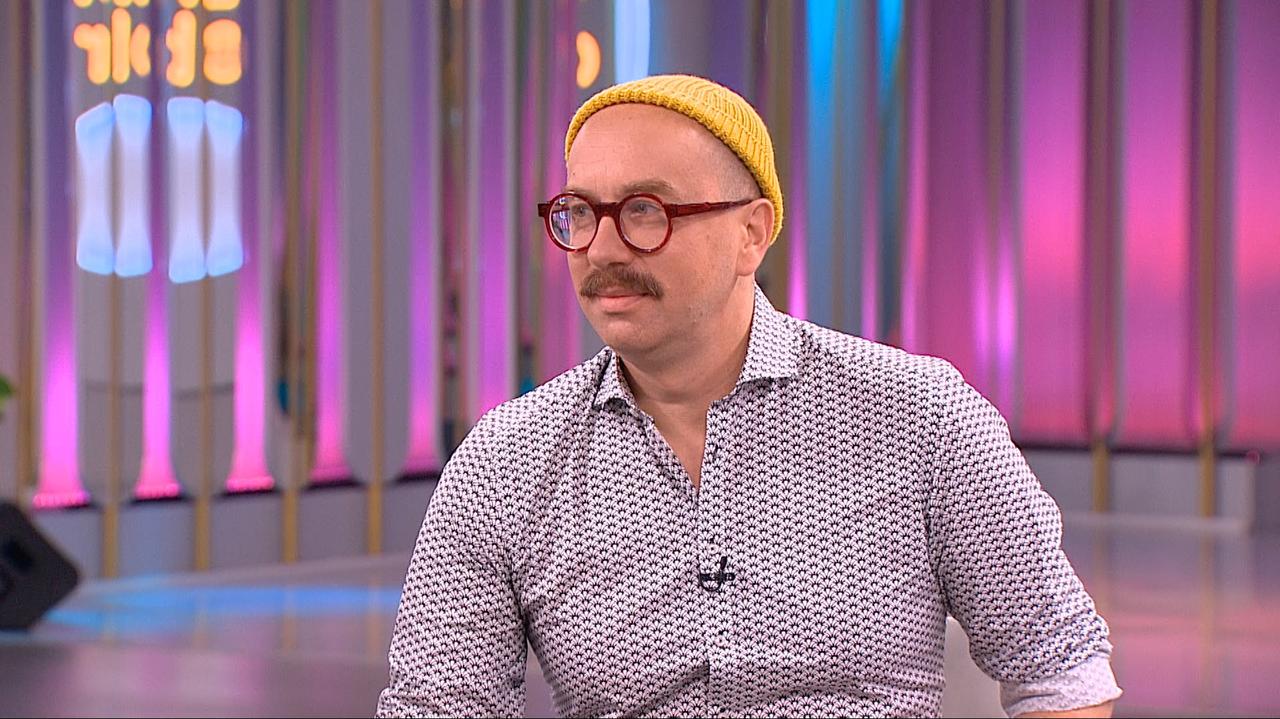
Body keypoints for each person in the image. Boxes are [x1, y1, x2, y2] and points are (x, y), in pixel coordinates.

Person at [377, 74, 1122, 718]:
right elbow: (436, 705)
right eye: (578, 212)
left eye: (645, 210)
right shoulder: (507, 461)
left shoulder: (916, 414)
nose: (601, 249)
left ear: (752, 234)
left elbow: (1059, 666)